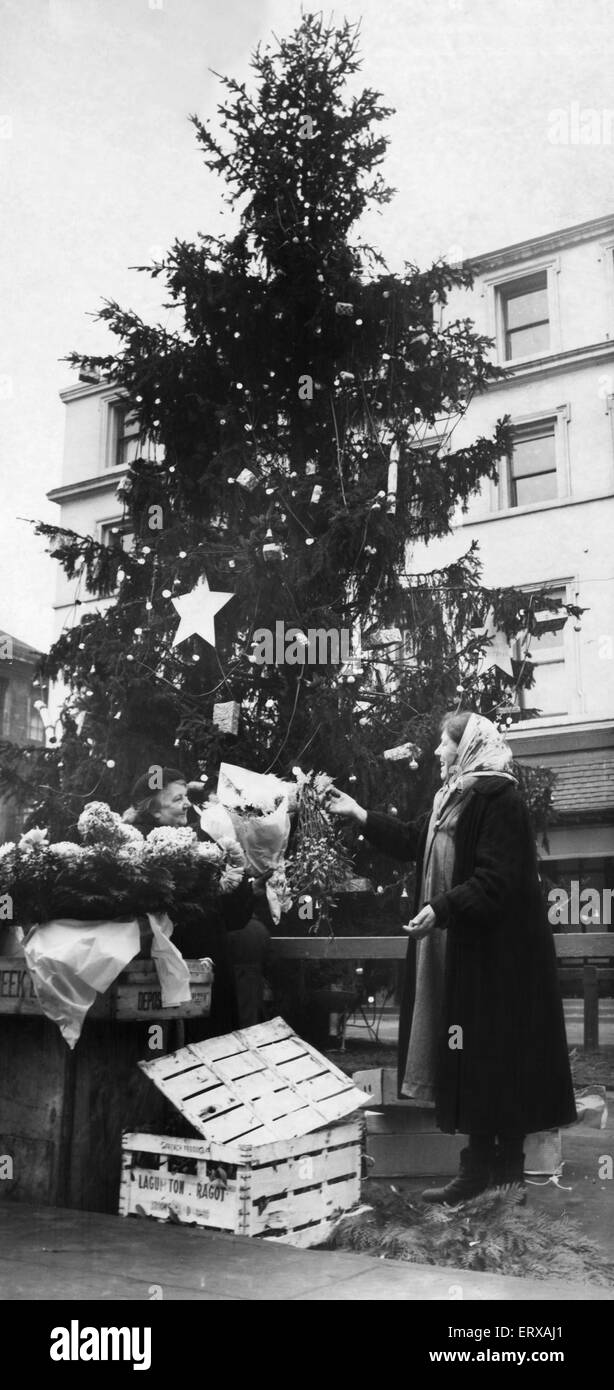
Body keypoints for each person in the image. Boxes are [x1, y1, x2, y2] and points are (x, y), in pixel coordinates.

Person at [327, 711, 577, 1205]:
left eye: (445, 744)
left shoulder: (498, 800)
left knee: (495, 1061)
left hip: (500, 960)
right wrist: (360, 814)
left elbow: (496, 882)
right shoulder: (453, 797)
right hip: (462, 947)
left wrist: (441, 908)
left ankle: (501, 1176)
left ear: (467, 747)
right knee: (474, 1060)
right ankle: (480, 1171)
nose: (438, 753)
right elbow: (411, 839)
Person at [125, 767, 253, 1039]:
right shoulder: (137, 846)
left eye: (185, 796)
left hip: (207, 957)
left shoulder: (202, 839)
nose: (186, 804)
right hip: (173, 959)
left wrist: (246, 883)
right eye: (176, 799)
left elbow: (233, 915)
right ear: (154, 811)